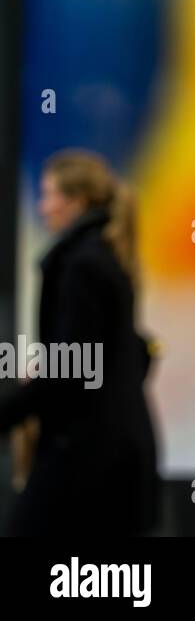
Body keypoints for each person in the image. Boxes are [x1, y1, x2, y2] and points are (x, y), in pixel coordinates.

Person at [0, 150, 160, 536]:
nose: (43, 206)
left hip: (86, 457)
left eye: (50, 194)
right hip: (111, 453)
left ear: (78, 201)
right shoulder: (104, 258)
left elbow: (71, 371)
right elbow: (128, 353)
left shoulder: (80, 264)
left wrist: (11, 410)